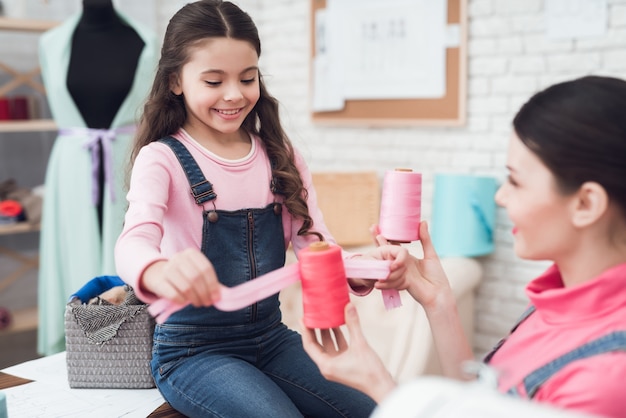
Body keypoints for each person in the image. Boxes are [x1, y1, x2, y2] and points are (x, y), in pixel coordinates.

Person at [114, 1, 407, 417]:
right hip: (194, 353)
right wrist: (157, 270)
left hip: (271, 339)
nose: (234, 94)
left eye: (247, 78)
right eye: (214, 81)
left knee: (373, 411)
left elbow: (314, 243)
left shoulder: (277, 154)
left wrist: (363, 268)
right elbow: (133, 242)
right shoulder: (161, 159)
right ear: (176, 81)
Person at [302, 75, 626, 418]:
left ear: (586, 204)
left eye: (515, 181)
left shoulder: (606, 377)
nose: (500, 197)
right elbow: (478, 407)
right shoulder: (559, 299)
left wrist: (377, 382)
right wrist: (439, 301)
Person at [37, 0, 158, 355]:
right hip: (73, 167)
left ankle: (125, 346)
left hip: (127, 162)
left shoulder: (148, 42)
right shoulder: (52, 43)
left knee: (128, 250)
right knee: (73, 250)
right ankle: (75, 347)